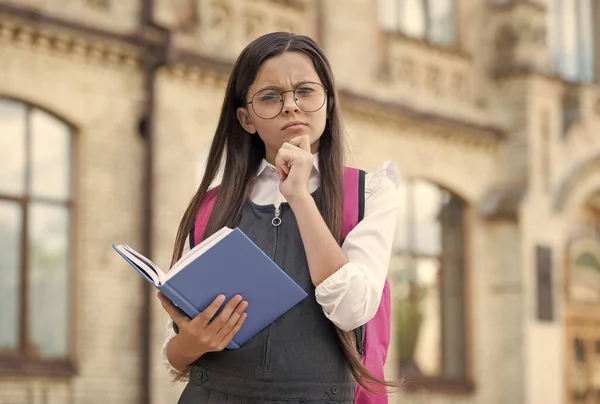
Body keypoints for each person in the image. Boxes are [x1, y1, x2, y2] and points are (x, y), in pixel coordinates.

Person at [158, 31, 400, 404]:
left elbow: (353, 309)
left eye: (305, 91)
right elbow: (174, 357)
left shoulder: (370, 193)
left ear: (328, 102)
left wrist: (300, 197)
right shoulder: (211, 206)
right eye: (270, 97)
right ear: (246, 118)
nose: (291, 105)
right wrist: (190, 342)